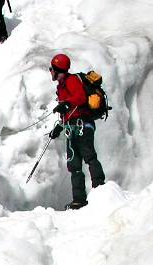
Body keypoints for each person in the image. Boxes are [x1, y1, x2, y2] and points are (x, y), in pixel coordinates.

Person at [48, 53, 106, 210]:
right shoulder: (61, 86)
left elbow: (80, 98)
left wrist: (65, 103)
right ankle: (79, 200)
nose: (50, 72)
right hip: (72, 127)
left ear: (57, 69)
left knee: (89, 156)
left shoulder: (71, 80)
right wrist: (59, 127)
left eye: (51, 69)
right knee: (74, 165)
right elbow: (69, 111)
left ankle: (101, 190)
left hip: (83, 125)